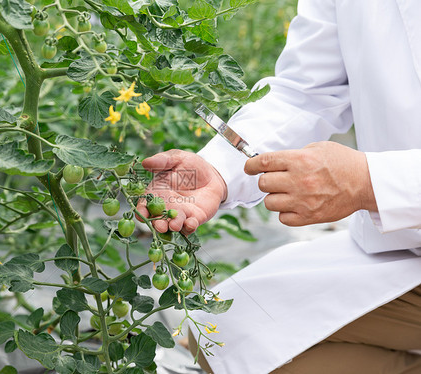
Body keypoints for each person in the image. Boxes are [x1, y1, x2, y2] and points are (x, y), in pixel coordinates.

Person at [137, 0, 421, 373]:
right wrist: (218, 170)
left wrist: (370, 183)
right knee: (221, 338)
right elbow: (305, 92)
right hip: (407, 248)